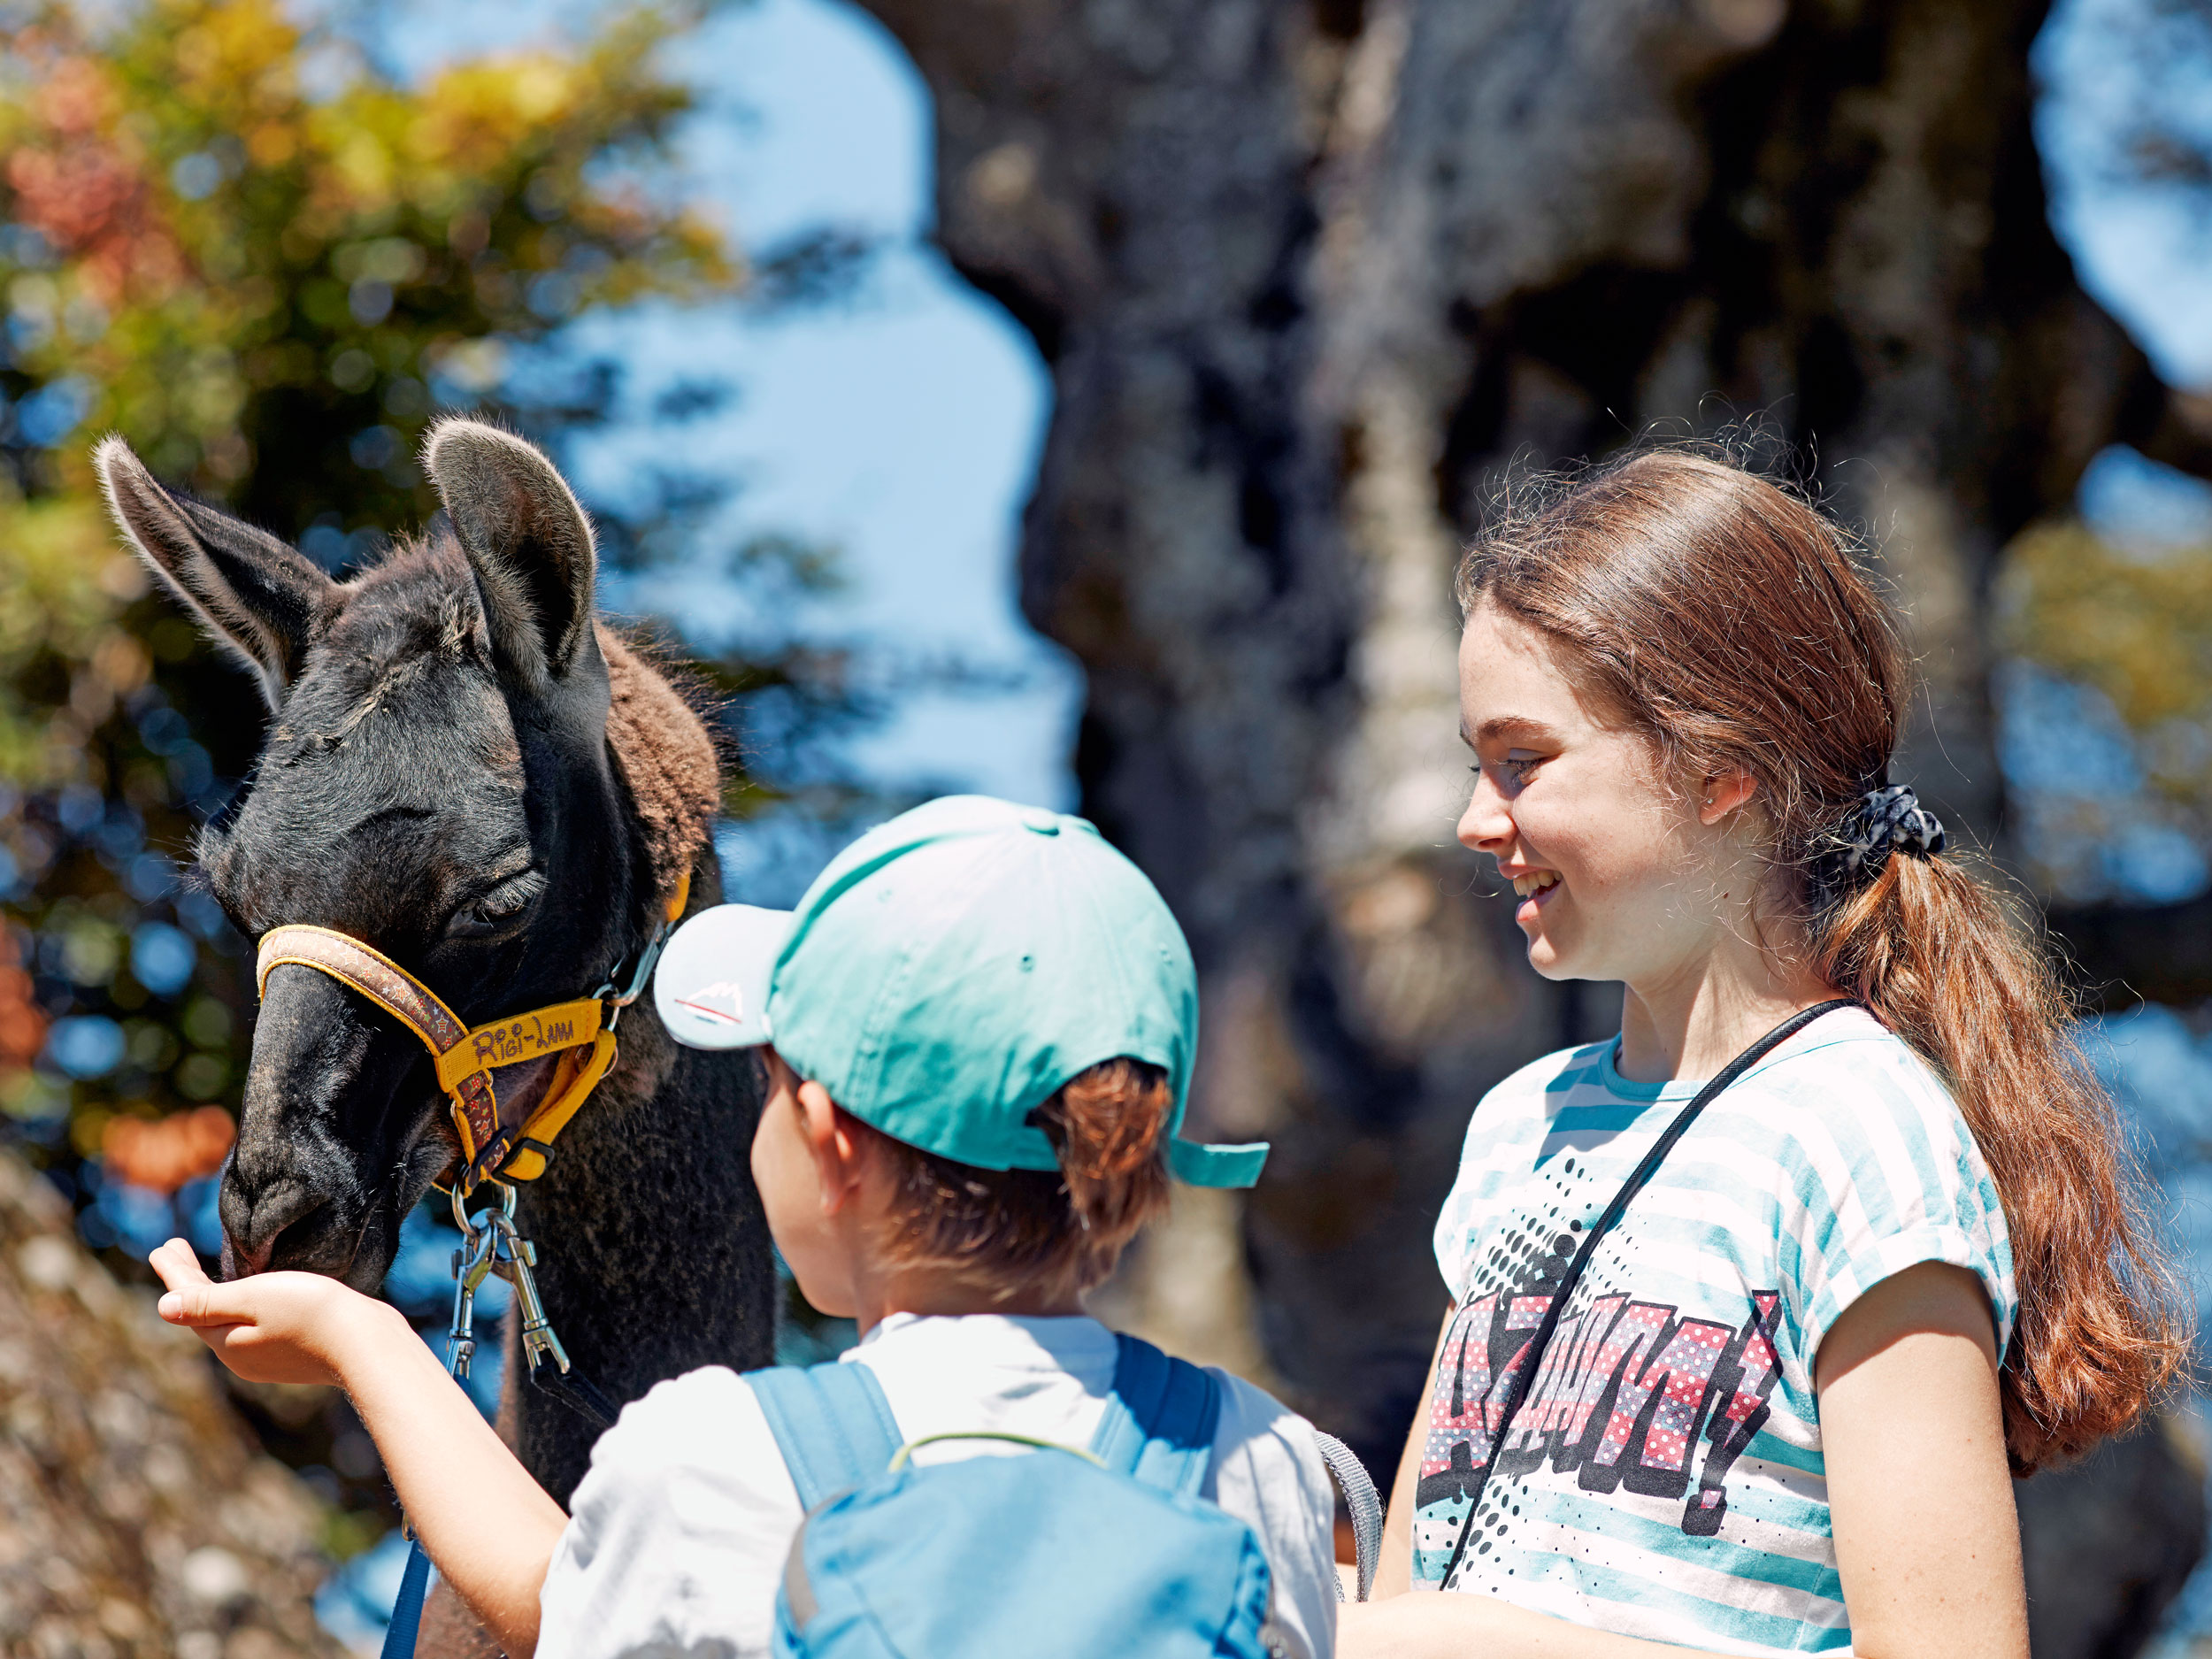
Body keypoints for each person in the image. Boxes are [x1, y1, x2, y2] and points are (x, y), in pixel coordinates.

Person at [150, 794, 1340, 1658]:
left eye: (766, 1082)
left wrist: (357, 1340)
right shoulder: (1270, 1463)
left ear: (825, 1136)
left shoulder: (721, 1458)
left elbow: (542, 1595)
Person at [1339, 449, 2189, 1659]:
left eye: (1523, 761)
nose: (1477, 819)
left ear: (1722, 767)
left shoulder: (1861, 1136)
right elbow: (1406, 1604)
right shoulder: (1519, 1129)